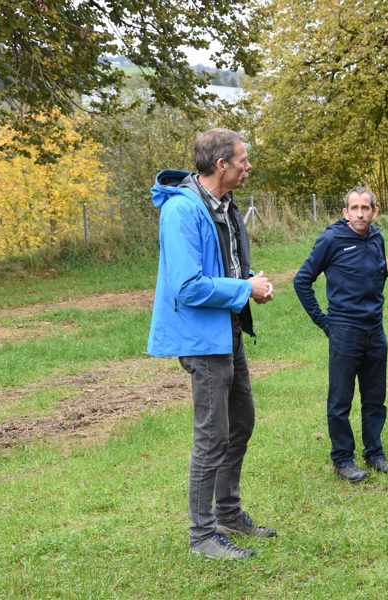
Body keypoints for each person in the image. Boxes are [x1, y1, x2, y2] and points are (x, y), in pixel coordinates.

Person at [147, 128, 276, 559]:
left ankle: (228, 513)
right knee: (212, 436)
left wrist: (247, 287)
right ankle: (202, 536)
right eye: (243, 159)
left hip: (228, 330)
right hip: (202, 340)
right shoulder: (182, 211)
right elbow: (187, 287)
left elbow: (225, 262)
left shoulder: (223, 206)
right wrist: (245, 289)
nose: (247, 165)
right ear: (221, 164)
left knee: (241, 423)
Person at [294, 186, 388, 483]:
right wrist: (325, 322)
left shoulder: (377, 237)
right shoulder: (331, 239)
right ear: (345, 212)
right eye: (354, 208)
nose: (360, 213)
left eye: (366, 208)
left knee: (375, 396)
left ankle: (375, 454)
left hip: (375, 330)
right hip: (344, 330)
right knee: (341, 400)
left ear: (374, 211)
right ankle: (342, 459)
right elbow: (302, 281)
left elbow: (381, 274)